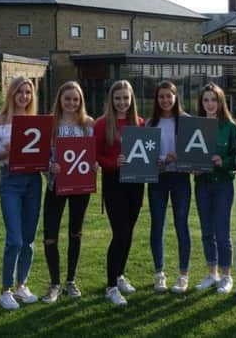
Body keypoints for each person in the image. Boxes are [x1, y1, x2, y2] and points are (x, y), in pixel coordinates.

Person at [0, 76, 43, 310]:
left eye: (28, 93)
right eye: (20, 92)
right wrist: (6, 151)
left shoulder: (36, 122)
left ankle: (22, 284)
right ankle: (5, 290)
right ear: (11, 94)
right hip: (10, 180)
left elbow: (42, 154)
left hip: (33, 181)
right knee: (15, 239)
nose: (24, 97)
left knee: (29, 239)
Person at [41, 81, 94, 303]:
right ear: (60, 100)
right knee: (50, 236)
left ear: (80, 101)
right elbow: (39, 154)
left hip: (80, 187)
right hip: (56, 186)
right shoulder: (50, 124)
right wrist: (48, 166)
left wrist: (94, 164)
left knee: (75, 233)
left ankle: (71, 281)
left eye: (75, 99)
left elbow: (93, 155)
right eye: (67, 98)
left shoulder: (88, 124)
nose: (71, 103)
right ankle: (54, 283)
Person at [94, 80, 144, 306]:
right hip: (114, 183)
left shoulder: (140, 123)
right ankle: (111, 286)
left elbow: (146, 154)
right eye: (118, 98)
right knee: (120, 233)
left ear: (131, 99)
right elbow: (96, 156)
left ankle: (120, 274)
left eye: (126, 98)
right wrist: (113, 162)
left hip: (135, 183)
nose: (122, 102)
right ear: (111, 100)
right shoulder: (102, 124)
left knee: (129, 232)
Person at [147, 80, 192, 294]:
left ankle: (183, 275)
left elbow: (195, 152)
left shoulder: (186, 121)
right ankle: (159, 274)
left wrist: (180, 156)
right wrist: (153, 161)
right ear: (157, 99)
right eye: (161, 96)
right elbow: (144, 156)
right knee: (158, 226)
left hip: (180, 178)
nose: (165, 100)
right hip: (158, 180)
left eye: (169, 96)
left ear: (176, 97)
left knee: (181, 226)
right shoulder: (149, 124)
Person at [193, 83, 236, 294]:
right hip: (202, 185)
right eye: (206, 100)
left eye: (213, 99)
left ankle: (227, 276)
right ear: (201, 103)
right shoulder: (195, 126)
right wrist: (192, 167)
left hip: (223, 185)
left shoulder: (230, 126)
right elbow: (189, 154)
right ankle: (212, 273)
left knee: (222, 232)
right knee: (206, 231)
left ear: (221, 102)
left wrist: (224, 161)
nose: (210, 104)